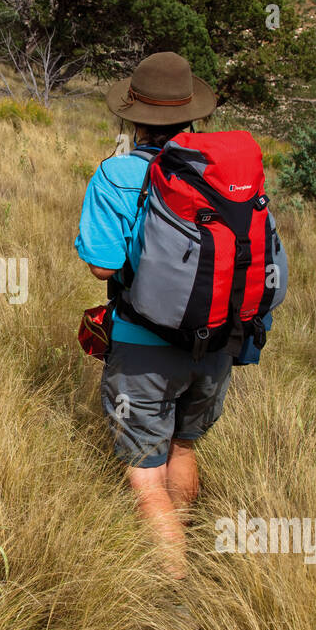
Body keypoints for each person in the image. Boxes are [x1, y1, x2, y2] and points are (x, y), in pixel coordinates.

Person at [75, 51, 229, 580]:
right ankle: (183, 538)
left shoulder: (116, 174)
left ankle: (175, 599)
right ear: (191, 114)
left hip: (143, 345)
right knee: (182, 445)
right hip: (215, 343)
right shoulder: (226, 173)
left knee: (145, 475)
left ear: (134, 118)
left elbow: (102, 266)